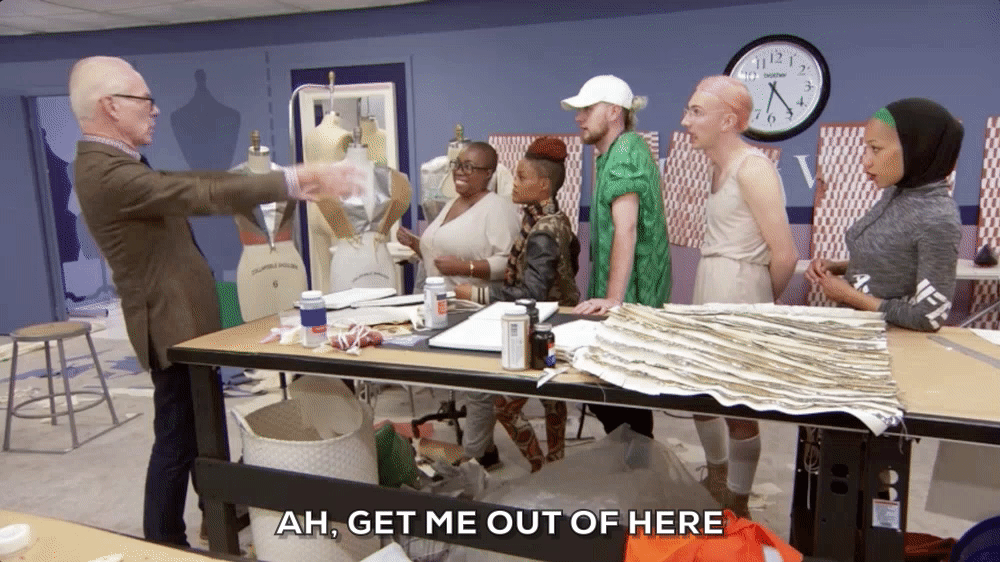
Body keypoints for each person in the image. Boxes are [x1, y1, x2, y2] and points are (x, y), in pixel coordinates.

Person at [67, 55, 361, 547]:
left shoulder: (117, 162)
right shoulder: (105, 172)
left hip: (186, 320)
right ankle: (165, 543)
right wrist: (292, 180)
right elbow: (194, 191)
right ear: (110, 106)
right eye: (144, 99)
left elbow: (188, 183)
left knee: (201, 430)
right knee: (178, 438)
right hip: (169, 324)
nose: (155, 109)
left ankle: (217, 516)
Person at [680, 75, 799, 517]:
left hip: (741, 292)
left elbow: (785, 254)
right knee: (700, 395)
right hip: (711, 285)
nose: (685, 120)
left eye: (696, 112)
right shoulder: (717, 168)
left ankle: (738, 500)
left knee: (738, 407)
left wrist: (759, 303)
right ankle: (716, 475)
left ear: (728, 121)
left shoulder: (754, 168)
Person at [455, 136, 581, 472]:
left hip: (543, 330)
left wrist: (476, 293)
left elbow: (532, 292)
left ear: (543, 186)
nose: (514, 182)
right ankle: (556, 464)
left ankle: (541, 467)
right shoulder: (555, 219)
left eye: (522, 177)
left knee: (505, 406)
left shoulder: (541, 233)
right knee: (552, 399)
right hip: (559, 323)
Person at [396, 141, 520, 468]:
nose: (460, 172)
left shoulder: (497, 209)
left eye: (470, 167)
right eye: (458, 165)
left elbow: (509, 264)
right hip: (445, 307)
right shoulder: (454, 203)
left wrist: (465, 268)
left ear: (488, 173)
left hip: (476, 308)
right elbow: (439, 251)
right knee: (464, 383)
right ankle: (483, 449)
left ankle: (475, 458)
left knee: (478, 389)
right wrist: (416, 245)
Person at [561, 74, 669, 439]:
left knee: (622, 404)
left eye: (587, 110)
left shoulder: (624, 154)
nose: (579, 118)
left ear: (613, 112)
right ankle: (631, 464)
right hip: (627, 301)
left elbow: (627, 228)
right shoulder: (613, 154)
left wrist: (613, 300)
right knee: (616, 403)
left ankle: (637, 468)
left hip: (630, 303)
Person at [805, 98, 963, 332]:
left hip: (894, 343)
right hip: (862, 333)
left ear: (915, 148)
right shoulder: (896, 193)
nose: (866, 161)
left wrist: (848, 295)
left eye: (876, 149)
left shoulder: (938, 219)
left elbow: (929, 317)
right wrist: (837, 266)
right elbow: (899, 263)